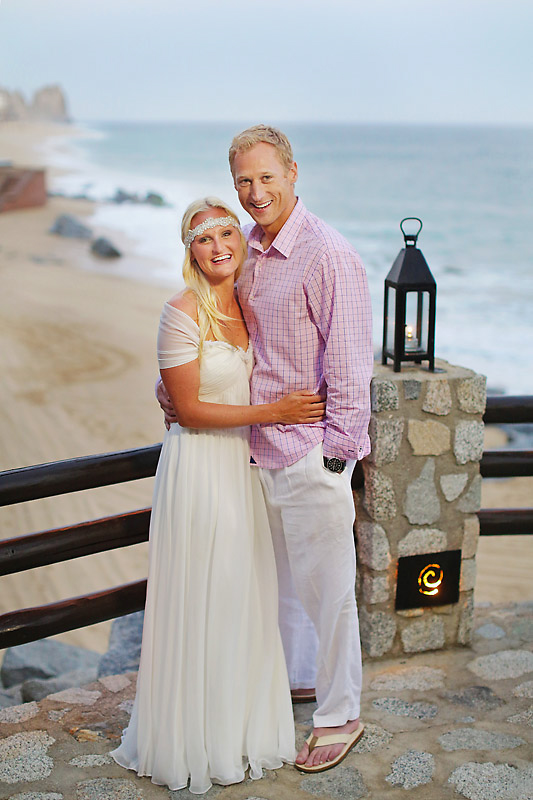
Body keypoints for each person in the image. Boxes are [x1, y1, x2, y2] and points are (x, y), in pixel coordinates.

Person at [158, 125, 373, 774]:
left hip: (308, 454)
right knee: (279, 592)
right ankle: (293, 688)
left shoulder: (327, 254)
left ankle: (340, 716)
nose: (255, 193)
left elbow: (349, 366)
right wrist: (174, 386)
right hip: (249, 456)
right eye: (243, 182)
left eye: (266, 178)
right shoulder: (248, 247)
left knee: (329, 593)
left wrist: (336, 459)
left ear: (293, 173)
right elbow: (216, 326)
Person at [111, 196, 327, 794]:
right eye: (204, 238)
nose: (219, 245)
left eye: (227, 232)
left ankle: (238, 731)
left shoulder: (248, 303)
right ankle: (191, 737)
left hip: (241, 467)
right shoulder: (180, 312)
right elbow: (186, 409)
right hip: (199, 469)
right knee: (202, 590)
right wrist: (275, 411)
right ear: (190, 250)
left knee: (241, 591)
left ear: (242, 239)